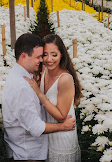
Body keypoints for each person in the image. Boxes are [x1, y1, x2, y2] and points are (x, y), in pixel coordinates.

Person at [2, 33, 76, 162]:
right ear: (24, 56)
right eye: (40, 56)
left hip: (53, 140)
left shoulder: (25, 75)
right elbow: (35, 127)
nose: (44, 60)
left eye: (53, 54)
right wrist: (63, 126)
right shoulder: (22, 85)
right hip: (28, 150)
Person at [24, 34, 82, 162]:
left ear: (62, 55)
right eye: (45, 54)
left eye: (54, 55)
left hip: (62, 138)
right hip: (49, 134)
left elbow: (61, 116)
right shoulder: (45, 71)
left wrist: (39, 93)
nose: (49, 59)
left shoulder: (65, 79)